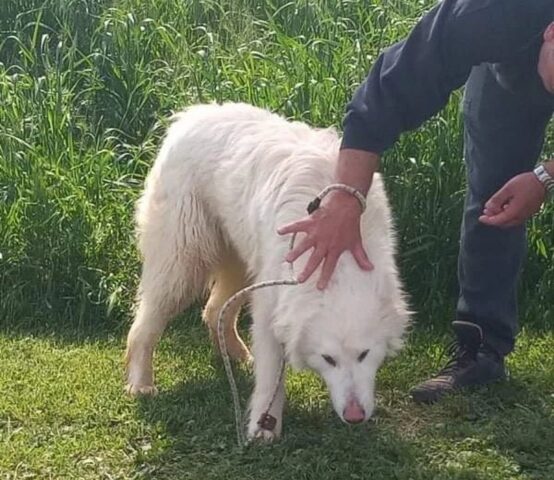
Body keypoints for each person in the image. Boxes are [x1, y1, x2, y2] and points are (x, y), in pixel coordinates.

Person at [277, 0, 554, 404]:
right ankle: (480, 350)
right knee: (495, 195)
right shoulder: (492, 14)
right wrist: (347, 195)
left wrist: (545, 175)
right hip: (509, 68)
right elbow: (392, 89)